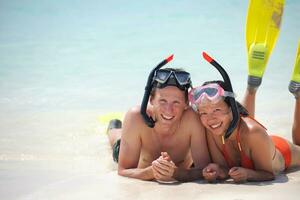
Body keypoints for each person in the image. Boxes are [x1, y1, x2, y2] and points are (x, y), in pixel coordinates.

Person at [188, 52, 300, 183]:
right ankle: (253, 87)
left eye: (217, 110)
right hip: (261, 145)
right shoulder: (211, 129)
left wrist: (248, 174)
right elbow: (225, 169)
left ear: (232, 108)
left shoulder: (254, 132)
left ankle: (298, 94)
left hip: (282, 151)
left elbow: (269, 175)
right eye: (203, 113)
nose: (211, 119)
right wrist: (217, 170)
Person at [107, 55, 210, 182]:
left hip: (182, 169)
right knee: (117, 142)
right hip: (137, 161)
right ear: (151, 100)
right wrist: (149, 172)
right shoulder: (136, 117)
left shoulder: (192, 119)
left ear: (186, 104)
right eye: (163, 101)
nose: (169, 109)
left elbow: (204, 170)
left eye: (176, 102)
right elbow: (123, 170)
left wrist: (176, 173)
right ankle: (114, 127)